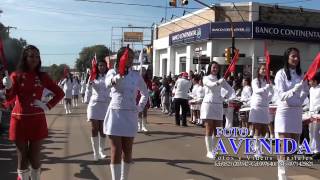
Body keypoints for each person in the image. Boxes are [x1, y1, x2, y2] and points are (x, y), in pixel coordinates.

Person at [2, 45, 64, 180]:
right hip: (19, 120)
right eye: (31, 56)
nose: (34, 59)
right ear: (25, 57)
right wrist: (8, 87)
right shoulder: (16, 75)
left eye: (37, 56)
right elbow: (9, 98)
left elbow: (60, 93)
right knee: (22, 156)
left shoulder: (43, 76)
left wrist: (47, 106)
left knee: (34, 156)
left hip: (37, 120)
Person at [104, 46, 149, 180]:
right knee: (116, 150)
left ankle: (124, 178)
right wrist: (117, 78)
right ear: (120, 57)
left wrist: (139, 108)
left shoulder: (136, 75)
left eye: (131, 57)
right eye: (126, 57)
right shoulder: (112, 72)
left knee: (128, 150)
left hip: (130, 114)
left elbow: (145, 93)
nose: (129, 60)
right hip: (116, 114)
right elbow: (108, 84)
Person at [274, 47, 308, 180]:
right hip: (285, 111)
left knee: (292, 148)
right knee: (284, 145)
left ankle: (284, 171)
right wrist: (294, 90)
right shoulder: (280, 74)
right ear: (287, 58)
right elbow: (281, 95)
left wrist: (300, 98)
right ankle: (282, 175)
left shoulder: (301, 75)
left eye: (297, 56)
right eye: (293, 56)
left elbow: (305, 90)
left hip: (296, 111)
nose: (296, 59)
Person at [201, 61, 233, 159]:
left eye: (217, 68)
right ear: (210, 68)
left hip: (218, 105)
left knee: (218, 130)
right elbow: (211, 85)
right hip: (208, 104)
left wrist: (225, 97)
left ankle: (214, 149)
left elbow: (230, 90)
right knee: (209, 128)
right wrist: (219, 82)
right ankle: (209, 151)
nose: (215, 69)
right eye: (213, 67)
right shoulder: (205, 78)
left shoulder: (220, 80)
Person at [84, 60, 110, 161]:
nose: (101, 67)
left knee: (102, 130)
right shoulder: (93, 76)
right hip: (94, 104)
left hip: (105, 105)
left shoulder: (109, 76)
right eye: (100, 65)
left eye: (103, 65)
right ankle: (95, 153)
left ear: (106, 66)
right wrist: (86, 98)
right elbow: (88, 88)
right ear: (97, 66)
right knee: (94, 128)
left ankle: (101, 151)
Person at [248, 64, 274, 158]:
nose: (264, 70)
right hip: (257, 106)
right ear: (258, 70)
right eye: (262, 69)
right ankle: (256, 150)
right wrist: (266, 88)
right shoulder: (255, 81)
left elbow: (271, 94)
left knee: (264, 129)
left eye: (265, 69)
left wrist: (270, 91)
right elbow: (256, 91)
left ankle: (259, 149)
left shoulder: (267, 81)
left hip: (265, 106)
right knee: (257, 128)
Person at [308, 71, 320, 160]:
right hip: (311, 113)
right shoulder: (311, 89)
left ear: (315, 81)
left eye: (311, 81)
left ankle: (317, 150)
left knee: (316, 132)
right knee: (310, 131)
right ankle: (311, 149)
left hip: (318, 113)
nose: (309, 82)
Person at [137, 67, 152, 132]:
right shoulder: (136, 78)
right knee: (139, 111)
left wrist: (149, 90)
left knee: (144, 111)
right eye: (141, 71)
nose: (143, 72)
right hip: (137, 96)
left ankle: (144, 126)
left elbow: (150, 88)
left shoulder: (147, 80)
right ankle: (139, 126)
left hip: (145, 96)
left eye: (144, 71)